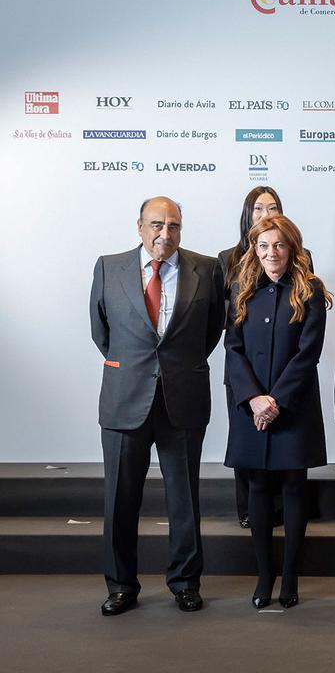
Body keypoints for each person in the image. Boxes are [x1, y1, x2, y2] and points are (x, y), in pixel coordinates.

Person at [88, 197, 225, 615]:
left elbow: (213, 329)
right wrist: (138, 368)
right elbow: (101, 331)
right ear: (139, 226)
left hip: (182, 398)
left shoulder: (207, 269)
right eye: (156, 225)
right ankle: (120, 586)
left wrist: (175, 367)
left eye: (173, 225)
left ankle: (185, 583)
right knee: (120, 499)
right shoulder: (109, 267)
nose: (165, 234)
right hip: (125, 398)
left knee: (184, 499)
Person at [224, 215, 329, 609]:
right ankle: (264, 577)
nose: (272, 253)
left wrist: (276, 400)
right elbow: (232, 348)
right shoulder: (242, 288)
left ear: (292, 248)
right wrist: (254, 398)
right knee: (258, 488)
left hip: (293, 405)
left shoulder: (310, 290)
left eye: (280, 245)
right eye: (264, 245)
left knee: (293, 486)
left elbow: (308, 352)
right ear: (255, 248)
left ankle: (290, 578)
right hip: (251, 407)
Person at [217, 186, 290, 530]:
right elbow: (221, 317)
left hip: (281, 371)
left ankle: (277, 507)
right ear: (248, 214)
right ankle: (247, 508)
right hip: (242, 368)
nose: (265, 214)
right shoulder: (227, 258)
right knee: (245, 440)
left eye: (272, 207)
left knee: (281, 438)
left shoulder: (298, 254)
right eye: (258, 208)